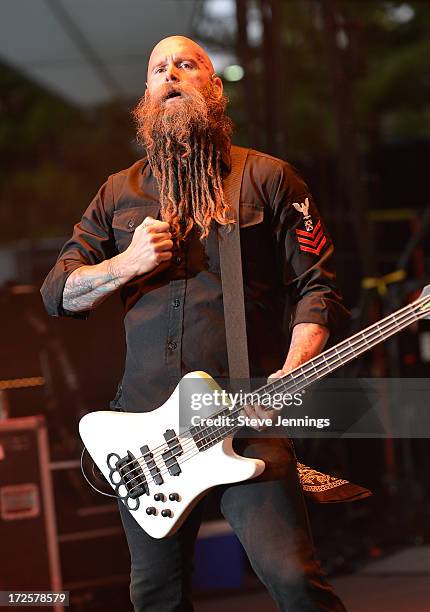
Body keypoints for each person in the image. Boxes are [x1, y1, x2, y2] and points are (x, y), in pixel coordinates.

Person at [41, 35, 350, 611]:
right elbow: (59, 293)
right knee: (156, 595)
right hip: (145, 435)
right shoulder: (118, 192)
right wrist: (125, 264)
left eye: (188, 63)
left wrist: (292, 372)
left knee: (292, 578)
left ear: (213, 86)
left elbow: (319, 287)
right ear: (147, 95)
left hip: (245, 414)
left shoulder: (269, 178)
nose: (172, 73)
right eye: (159, 67)